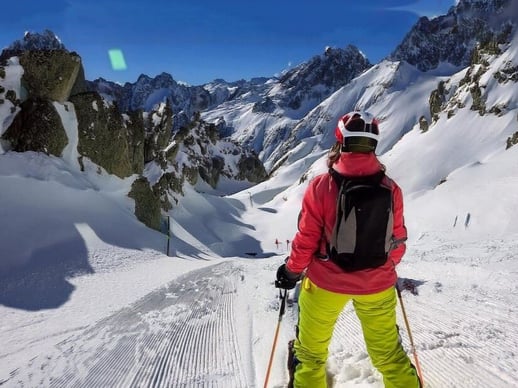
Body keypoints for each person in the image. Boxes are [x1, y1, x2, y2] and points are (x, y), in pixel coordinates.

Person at [275, 111, 421, 388]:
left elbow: (306, 239)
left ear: (341, 140)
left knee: (310, 354)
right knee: (389, 356)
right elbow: (398, 240)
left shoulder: (321, 186)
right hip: (377, 286)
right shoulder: (391, 188)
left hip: (325, 284)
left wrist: (291, 271)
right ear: (374, 143)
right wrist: (384, 269)